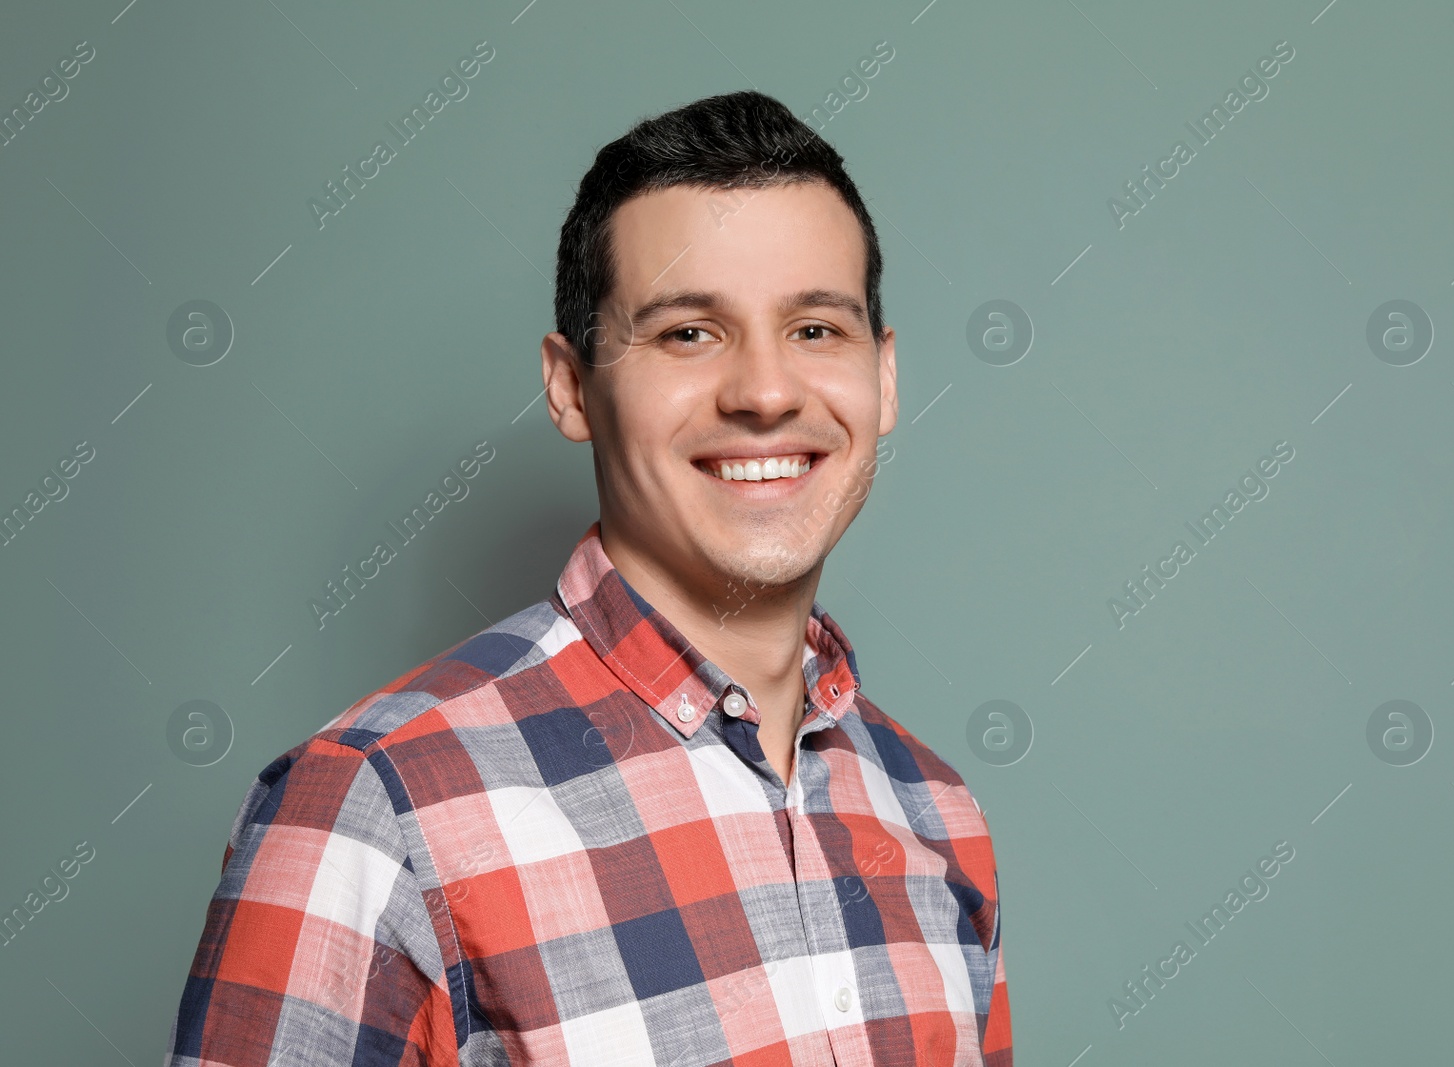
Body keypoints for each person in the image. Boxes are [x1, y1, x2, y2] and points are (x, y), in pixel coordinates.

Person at [165, 89, 1010, 1066]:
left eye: (816, 328)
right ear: (572, 387)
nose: (767, 391)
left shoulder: (939, 815)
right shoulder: (370, 810)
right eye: (689, 331)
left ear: (885, 377)